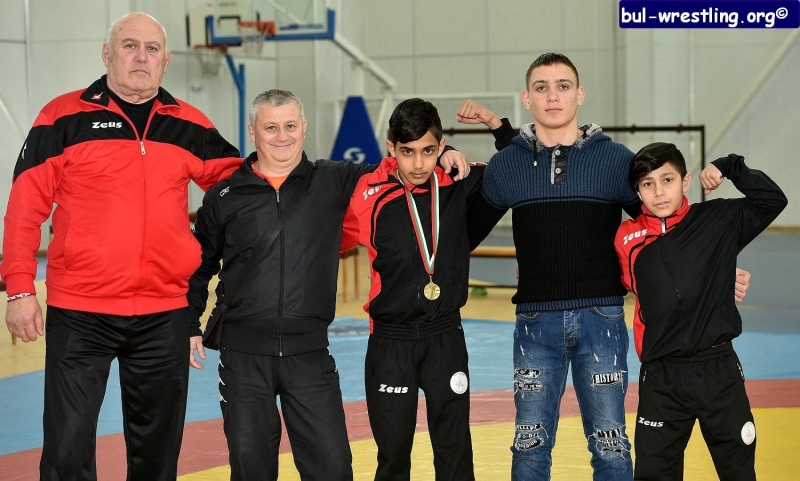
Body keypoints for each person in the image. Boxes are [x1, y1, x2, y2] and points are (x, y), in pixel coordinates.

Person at [456, 53, 752, 480]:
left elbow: (663, 227)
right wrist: (448, 156)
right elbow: (461, 238)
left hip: (602, 321)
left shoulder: (614, 160)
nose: (552, 96)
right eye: (541, 87)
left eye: (562, 86)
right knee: (529, 446)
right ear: (526, 98)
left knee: (610, 445)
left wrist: (714, 273)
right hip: (535, 324)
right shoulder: (508, 165)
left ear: (580, 94)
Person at [0, 12, 242, 480]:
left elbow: (239, 187)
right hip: (80, 310)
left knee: (157, 456)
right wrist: (20, 289)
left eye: (152, 49)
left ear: (166, 61)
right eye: (129, 46)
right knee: (67, 451)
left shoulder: (189, 125)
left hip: (164, 313)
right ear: (107, 54)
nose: (140, 57)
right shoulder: (61, 117)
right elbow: (24, 209)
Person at [186, 90, 469, 481]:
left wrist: (447, 150)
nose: (282, 136)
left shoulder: (335, 179)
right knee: (251, 469)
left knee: (332, 468)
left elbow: (400, 161)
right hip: (243, 357)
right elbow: (196, 263)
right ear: (253, 131)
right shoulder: (225, 195)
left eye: (290, 125)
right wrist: (188, 322)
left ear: (303, 127)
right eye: (270, 127)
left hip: (309, 355)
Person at [340, 98, 508, 481]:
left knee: (454, 451)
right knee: (393, 455)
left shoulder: (458, 181)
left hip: (445, 337)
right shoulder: (366, 192)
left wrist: (492, 127)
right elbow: (319, 234)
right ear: (391, 148)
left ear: (441, 145)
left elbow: (515, 166)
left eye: (429, 151)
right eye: (407, 152)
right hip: (390, 341)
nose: (418, 164)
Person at [615, 144, 786, 480]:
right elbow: (615, 282)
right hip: (661, 377)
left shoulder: (716, 220)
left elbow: (772, 200)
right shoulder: (626, 238)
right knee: (653, 473)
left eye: (667, 180)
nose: (659, 192)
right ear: (637, 191)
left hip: (718, 371)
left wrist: (730, 166)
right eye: (648, 183)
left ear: (686, 181)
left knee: (738, 471)